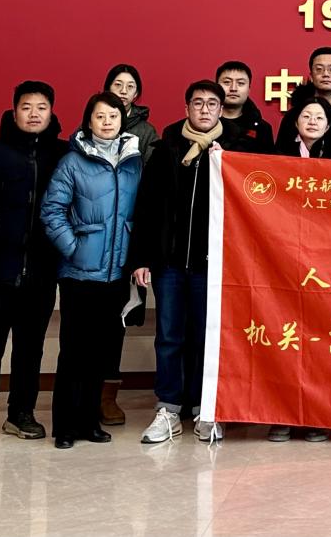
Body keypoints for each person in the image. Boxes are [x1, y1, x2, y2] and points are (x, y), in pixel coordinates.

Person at [0, 80, 67, 447]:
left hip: (42, 271)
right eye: (26, 107)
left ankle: (21, 413)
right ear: (14, 111)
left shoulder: (63, 154)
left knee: (30, 348)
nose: (34, 114)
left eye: (41, 107)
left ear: (51, 112)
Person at [40, 92, 143, 449]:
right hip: (79, 274)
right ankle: (65, 426)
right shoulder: (72, 161)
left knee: (101, 352)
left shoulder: (133, 161)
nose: (107, 122)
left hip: (116, 274)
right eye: (100, 116)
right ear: (89, 121)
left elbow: (139, 214)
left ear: (122, 120)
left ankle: (89, 422)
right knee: (73, 351)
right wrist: (74, 248)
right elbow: (51, 211)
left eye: (113, 116)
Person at [131, 80, 231, 445]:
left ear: (221, 111)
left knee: (207, 338)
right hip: (169, 263)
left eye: (212, 104)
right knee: (169, 337)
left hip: (211, 266)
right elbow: (146, 207)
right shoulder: (166, 149)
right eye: (198, 103)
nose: (204, 109)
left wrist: (225, 163)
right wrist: (141, 258)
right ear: (186, 108)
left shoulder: (231, 152)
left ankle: (205, 409)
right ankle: (169, 408)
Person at [270, 96, 331, 442]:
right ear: (295, 122)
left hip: (327, 262)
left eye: (319, 117)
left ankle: (316, 415)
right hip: (283, 259)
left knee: (321, 341)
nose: (312, 121)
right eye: (306, 116)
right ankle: (282, 415)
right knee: (286, 339)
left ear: (328, 125)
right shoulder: (276, 157)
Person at [99, 62, 156, 424]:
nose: (122, 91)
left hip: (128, 239)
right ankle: (82, 392)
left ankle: (108, 396)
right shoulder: (88, 128)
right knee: (87, 321)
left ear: (137, 94)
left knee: (117, 320)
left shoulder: (146, 134)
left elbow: (148, 188)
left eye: (129, 86)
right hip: (92, 242)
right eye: (117, 84)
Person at [215, 60, 275, 153]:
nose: (233, 88)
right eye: (227, 82)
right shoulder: (204, 122)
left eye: (240, 83)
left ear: (249, 88)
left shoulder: (262, 128)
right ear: (216, 86)